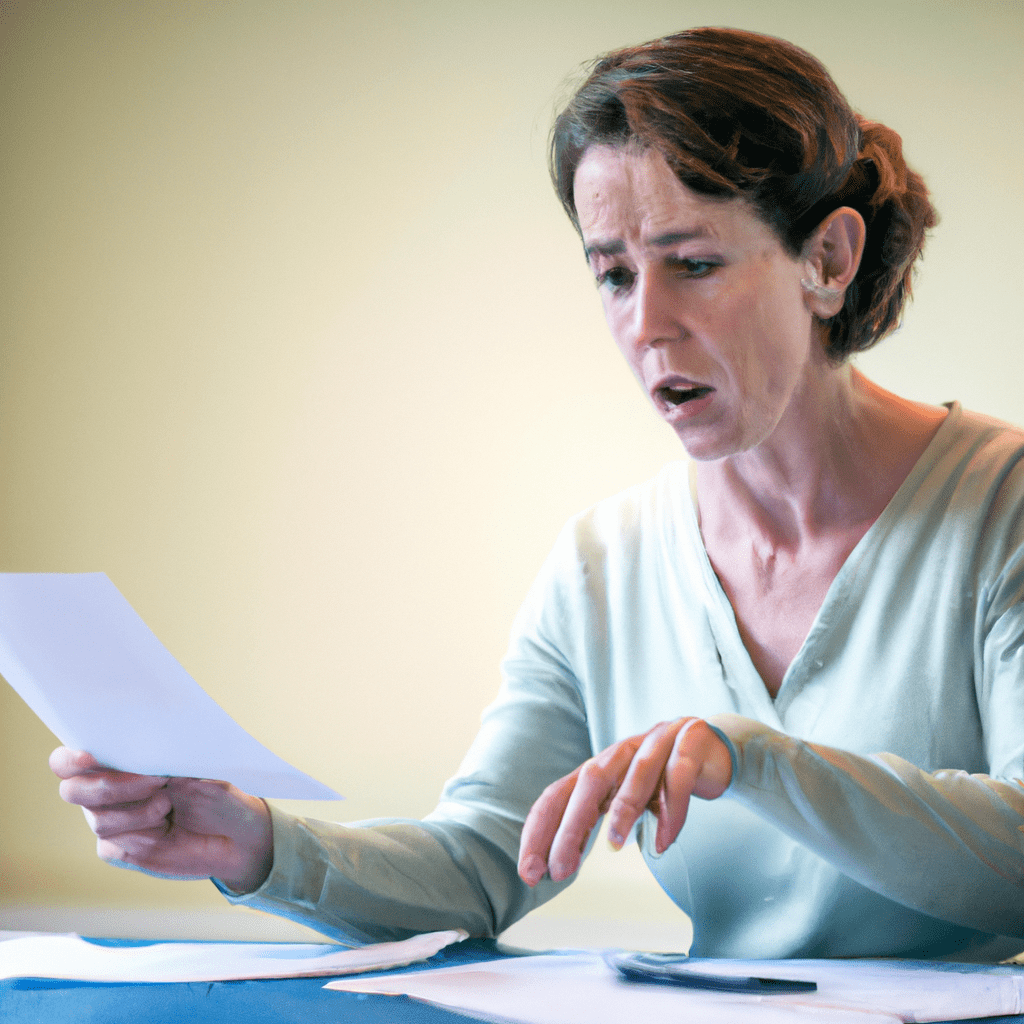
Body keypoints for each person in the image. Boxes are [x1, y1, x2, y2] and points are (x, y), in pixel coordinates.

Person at [50, 27, 1024, 961]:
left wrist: (755, 759)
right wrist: (258, 847)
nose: (648, 323)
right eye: (612, 274)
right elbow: (481, 865)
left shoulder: (999, 505)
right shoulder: (602, 567)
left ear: (828, 260)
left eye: (694, 264)